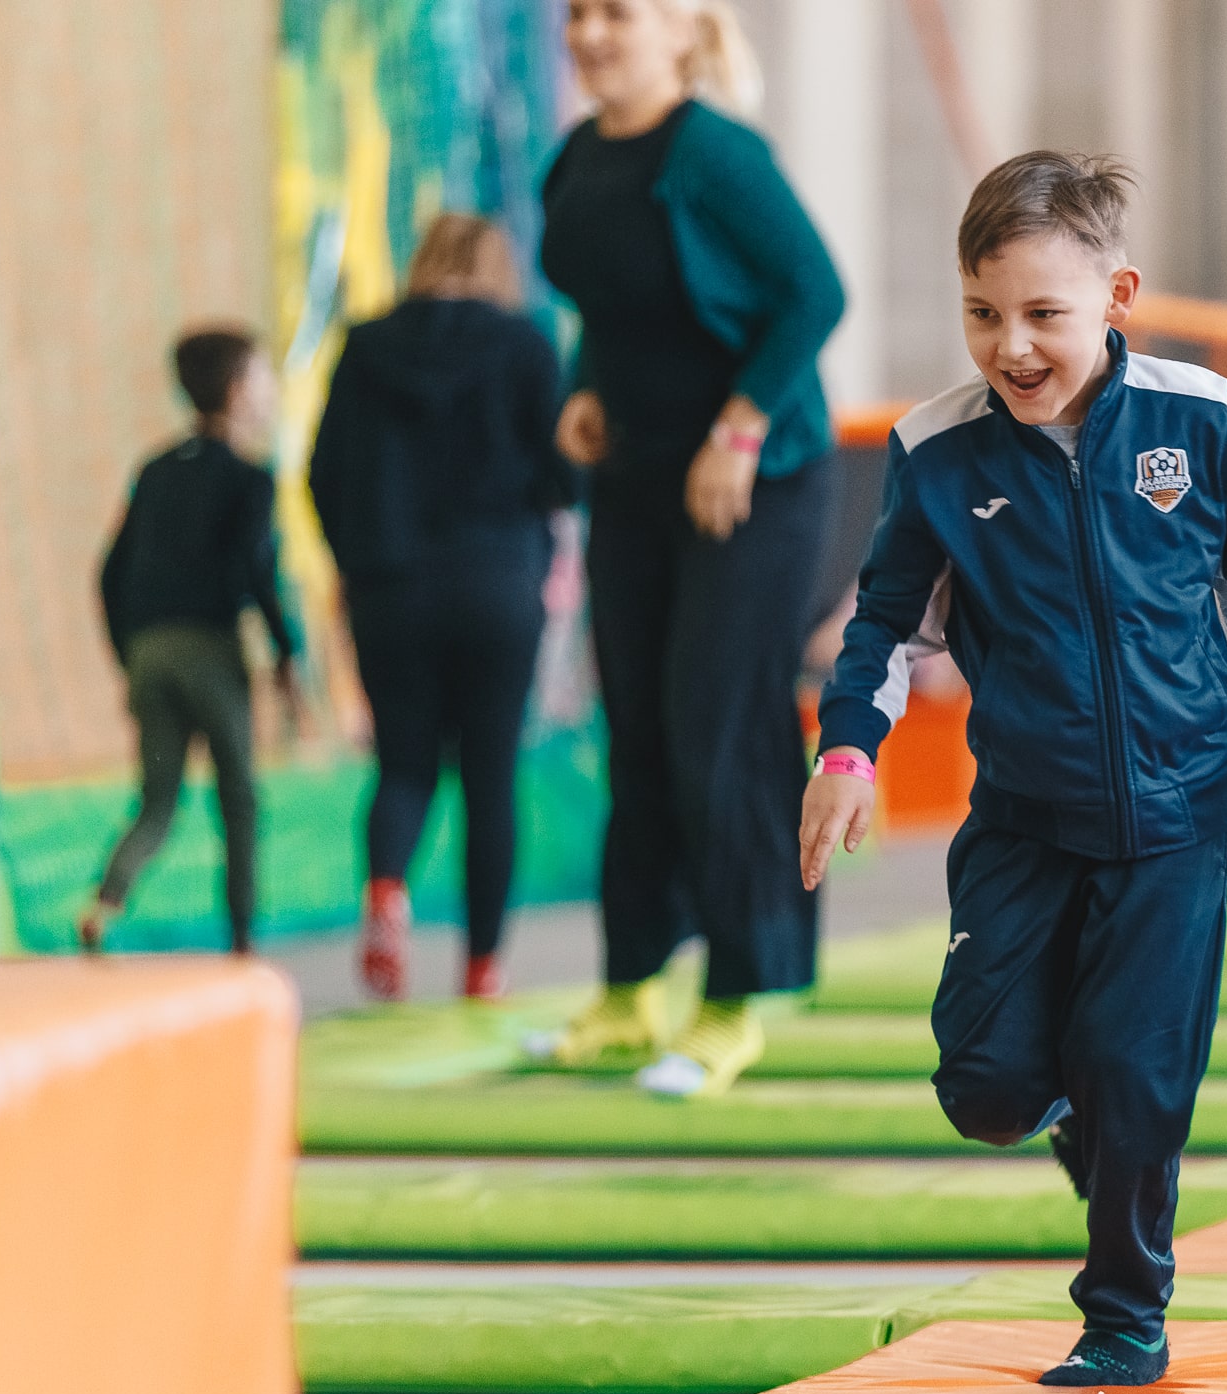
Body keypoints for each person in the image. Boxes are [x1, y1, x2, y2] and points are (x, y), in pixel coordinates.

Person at [802, 152, 1227, 1387]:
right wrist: (847, 750)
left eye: (1045, 314)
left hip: (1177, 808)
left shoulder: (1195, 417)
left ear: (1117, 295)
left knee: (1138, 1068)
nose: (1014, 346)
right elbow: (886, 625)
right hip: (1027, 818)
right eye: (985, 314)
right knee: (988, 1086)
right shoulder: (938, 453)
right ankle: (1085, 1126)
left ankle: (1125, 1315)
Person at [523, 0, 845, 1096]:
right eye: (577, 14)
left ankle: (738, 996)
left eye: (616, 13)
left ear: (680, 29)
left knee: (718, 723)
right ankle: (630, 989)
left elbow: (815, 293)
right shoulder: (574, 164)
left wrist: (739, 427)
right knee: (641, 734)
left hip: (758, 481)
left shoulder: (715, 154)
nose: (589, 33)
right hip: (638, 480)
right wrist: (582, 391)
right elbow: (608, 311)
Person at [310, 213, 574, 1001]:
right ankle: (482, 965)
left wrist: (357, 558)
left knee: (403, 762)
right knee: (491, 775)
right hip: (497, 580)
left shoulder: (363, 347)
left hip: (391, 585)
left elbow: (323, 472)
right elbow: (564, 472)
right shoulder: (526, 342)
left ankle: (388, 889)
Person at [80, 328, 300, 955]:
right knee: (238, 797)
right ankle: (243, 939)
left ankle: (105, 902)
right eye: (261, 377)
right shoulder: (249, 478)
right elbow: (258, 572)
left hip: (149, 651)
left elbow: (108, 573)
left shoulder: (153, 471)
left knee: (156, 801)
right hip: (210, 648)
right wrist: (287, 654)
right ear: (238, 392)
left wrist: (131, 656)